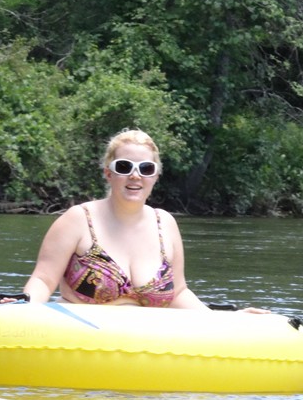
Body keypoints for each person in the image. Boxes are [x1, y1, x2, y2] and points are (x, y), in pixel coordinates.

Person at [17, 129, 211, 309]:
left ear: (156, 176)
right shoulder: (77, 219)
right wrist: (24, 305)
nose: (135, 175)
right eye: (124, 167)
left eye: (146, 168)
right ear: (108, 173)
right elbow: (43, 280)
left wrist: (217, 319)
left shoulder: (165, 223)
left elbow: (178, 293)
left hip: (145, 334)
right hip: (82, 332)